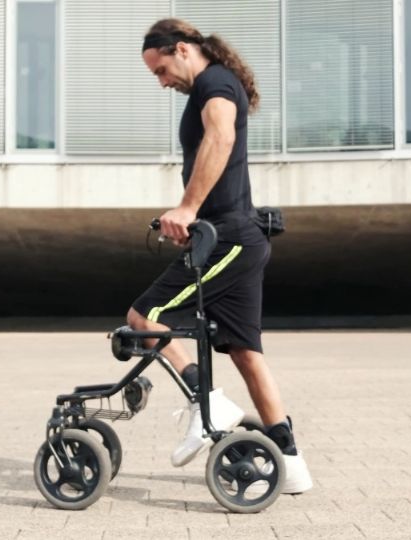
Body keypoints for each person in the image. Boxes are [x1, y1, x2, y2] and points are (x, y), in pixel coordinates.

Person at [128, 18, 312, 494]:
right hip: (237, 237)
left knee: (145, 317)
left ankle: (206, 400)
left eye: (161, 70)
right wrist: (194, 223)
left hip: (230, 239)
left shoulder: (214, 84)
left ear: (183, 50)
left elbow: (222, 137)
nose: (162, 81)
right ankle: (290, 465)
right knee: (247, 354)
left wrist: (188, 208)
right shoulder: (212, 85)